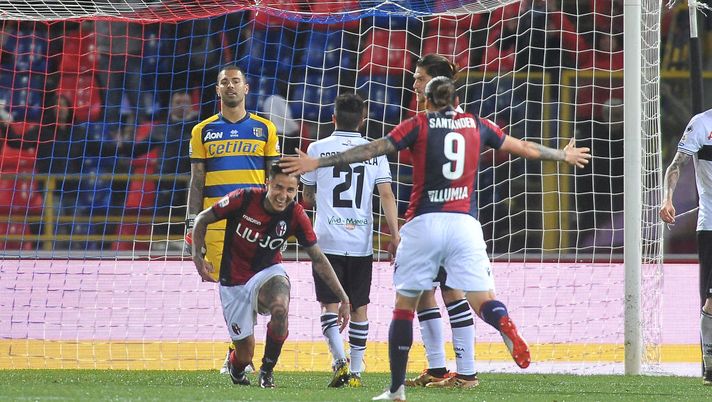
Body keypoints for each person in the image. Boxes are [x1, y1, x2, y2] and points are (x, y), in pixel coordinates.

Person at [280, 77, 591, 400]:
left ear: (427, 101)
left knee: (405, 304)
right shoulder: (476, 123)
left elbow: (372, 149)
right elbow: (524, 148)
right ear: (456, 100)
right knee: (480, 297)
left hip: (424, 222)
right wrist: (561, 155)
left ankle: (397, 390)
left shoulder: (418, 124)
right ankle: (501, 320)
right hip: (464, 224)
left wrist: (318, 162)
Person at [191, 163, 351, 388]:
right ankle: (236, 368)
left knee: (280, 307)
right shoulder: (244, 198)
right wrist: (198, 257)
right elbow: (202, 219)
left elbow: (318, 259)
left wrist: (343, 297)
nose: (283, 196)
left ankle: (267, 370)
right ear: (267, 183)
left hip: (268, 272)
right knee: (244, 355)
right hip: (233, 280)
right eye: (278, 187)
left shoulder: (295, 214)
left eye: (290, 190)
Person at [300, 93, 400, 388]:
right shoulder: (375, 151)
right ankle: (355, 370)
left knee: (328, 304)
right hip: (360, 242)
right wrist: (395, 235)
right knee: (360, 307)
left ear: (333, 118)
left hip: (326, 241)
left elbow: (306, 198)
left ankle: (338, 360)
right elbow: (386, 195)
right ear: (363, 120)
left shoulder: (317, 149)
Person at [186, 64, 280, 373]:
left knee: (254, 287)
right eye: (224, 82)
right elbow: (197, 180)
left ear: (246, 88)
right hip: (217, 222)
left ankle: (239, 354)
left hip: (255, 221)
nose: (230, 86)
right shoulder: (202, 131)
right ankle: (238, 353)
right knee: (232, 288)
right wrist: (192, 222)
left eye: (236, 81)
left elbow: (274, 177)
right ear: (217, 90)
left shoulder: (265, 129)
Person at [405, 54, 479, 388]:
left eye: (419, 78)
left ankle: (463, 372)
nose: (414, 84)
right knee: (438, 291)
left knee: (440, 291)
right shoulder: (461, 118)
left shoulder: (430, 120)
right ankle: (449, 370)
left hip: (435, 217)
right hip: (459, 216)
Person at [659, 110, 712, 385]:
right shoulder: (702, 124)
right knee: (711, 300)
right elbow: (676, 165)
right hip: (710, 225)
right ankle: (710, 366)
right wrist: (668, 199)